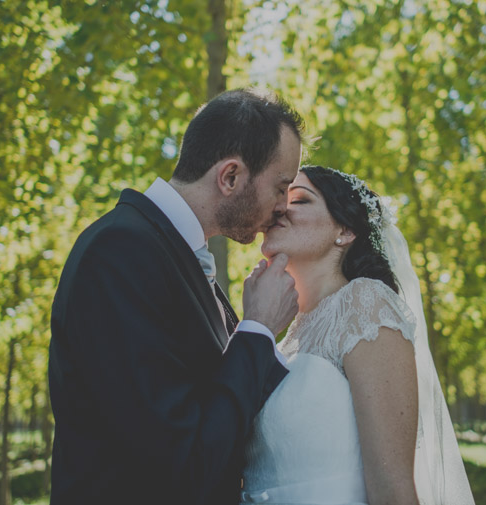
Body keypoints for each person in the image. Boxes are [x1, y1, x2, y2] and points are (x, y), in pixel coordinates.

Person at [48, 88, 305, 504]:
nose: (284, 207)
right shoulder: (120, 252)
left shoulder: (173, 254)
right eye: (281, 187)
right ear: (230, 177)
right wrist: (258, 328)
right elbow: (180, 461)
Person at [241, 166, 475, 505]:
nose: (279, 209)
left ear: (345, 231)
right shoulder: (288, 335)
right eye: (280, 197)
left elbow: (392, 488)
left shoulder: (365, 304)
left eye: (300, 200)